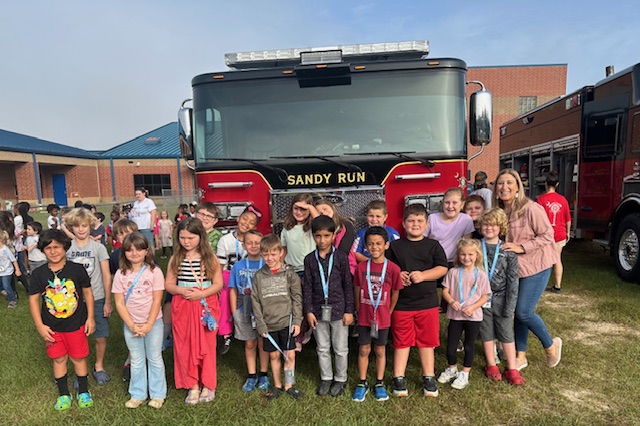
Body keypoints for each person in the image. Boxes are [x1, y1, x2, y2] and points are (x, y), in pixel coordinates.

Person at [493, 168, 562, 370]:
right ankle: (520, 355)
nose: (504, 187)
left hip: (537, 265)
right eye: (500, 183)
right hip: (515, 270)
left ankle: (551, 346)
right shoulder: (499, 211)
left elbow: (548, 235)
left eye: (509, 183)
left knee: (523, 311)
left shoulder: (531, 208)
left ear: (517, 188)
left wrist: (521, 247)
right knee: (518, 310)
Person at [28, 229, 95, 410]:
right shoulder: (38, 274)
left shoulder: (77, 269)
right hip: (52, 328)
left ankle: (83, 392)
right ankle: (64, 395)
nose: (53, 251)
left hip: (76, 325)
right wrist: (40, 326)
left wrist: (91, 318)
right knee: (58, 359)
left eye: (57, 247)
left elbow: (88, 294)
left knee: (78, 358)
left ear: (65, 247)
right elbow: (33, 300)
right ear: (43, 250)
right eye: (48, 248)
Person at [386, 204, 448, 398]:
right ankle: (399, 377)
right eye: (411, 220)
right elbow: (387, 268)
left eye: (420, 221)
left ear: (426, 224)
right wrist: (399, 275)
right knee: (401, 342)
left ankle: (428, 377)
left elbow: (442, 268)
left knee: (426, 342)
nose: (415, 224)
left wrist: (423, 275)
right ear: (404, 223)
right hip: (402, 305)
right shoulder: (395, 246)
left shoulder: (433, 245)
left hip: (427, 304)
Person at [164, 217, 223, 404]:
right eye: (182, 238)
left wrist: (201, 294)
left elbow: (218, 284)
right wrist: (181, 290)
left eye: (191, 237)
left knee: (206, 346)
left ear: (200, 237)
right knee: (185, 346)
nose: (186, 242)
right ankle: (193, 385)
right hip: (182, 306)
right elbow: (169, 284)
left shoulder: (209, 257)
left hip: (205, 305)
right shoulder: (176, 258)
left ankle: (208, 384)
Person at [112, 232, 166, 409]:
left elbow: (157, 299)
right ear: (124, 252)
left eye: (138, 249)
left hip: (154, 323)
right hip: (131, 324)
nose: (134, 253)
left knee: (155, 357)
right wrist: (131, 325)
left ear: (146, 250)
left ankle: (158, 394)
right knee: (136, 359)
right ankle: (138, 394)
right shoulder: (120, 274)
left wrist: (149, 324)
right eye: (129, 250)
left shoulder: (155, 271)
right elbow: (119, 302)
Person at [304, 215, 354, 397]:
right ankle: (326, 377)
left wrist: (349, 310)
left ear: (334, 236)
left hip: (339, 310)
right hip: (318, 311)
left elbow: (347, 285)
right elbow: (308, 286)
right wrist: (308, 310)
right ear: (313, 236)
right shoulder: (309, 259)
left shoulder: (341, 257)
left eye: (326, 236)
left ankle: (341, 378)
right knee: (322, 347)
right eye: (318, 236)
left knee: (340, 348)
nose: (322, 240)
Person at [351, 226, 403, 402]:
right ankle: (362, 382)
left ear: (387, 245)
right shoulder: (361, 267)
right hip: (365, 317)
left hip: (382, 318)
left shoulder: (393, 269)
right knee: (364, 349)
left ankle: (379, 383)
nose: (375, 247)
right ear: (365, 246)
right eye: (371, 244)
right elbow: (357, 289)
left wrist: (388, 312)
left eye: (379, 243)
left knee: (380, 350)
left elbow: (395, 292)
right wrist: (359, 311)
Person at [251, 234, 304, 400]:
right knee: (273, 355)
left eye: (273, 254)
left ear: (281, 253)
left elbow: (297, 298)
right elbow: (255, 302)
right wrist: (261, 325)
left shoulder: (289, 274)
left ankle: (289, 385)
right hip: (268, 325)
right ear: (261, 254)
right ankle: (277, 386)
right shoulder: (259, 276)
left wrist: (296, 321)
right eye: (265, 254)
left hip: (286, 323)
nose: (270, 258)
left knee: (290, 355)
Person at [65, 207, 112, 385]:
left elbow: (107, 275)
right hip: (74, 301)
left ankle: (99, 366)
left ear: (90, 226)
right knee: (77, 337)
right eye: (77, 226)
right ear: (71, 227)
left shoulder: (99, 248)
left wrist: (108, 301)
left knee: (100, 336)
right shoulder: (67, 250)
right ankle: (80, 371)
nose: (81, 229)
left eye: (84, 225)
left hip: (98, 297)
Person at [477, 208, 524, 385]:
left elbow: (513, 279)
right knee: (486, 331)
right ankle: (491, 364)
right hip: (481, 298)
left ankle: (512, 367)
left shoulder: (508, 251)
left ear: (501, 227)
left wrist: (510, 306)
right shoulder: (475, 247)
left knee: (506, 332)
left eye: (493, 225)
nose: (489, 228)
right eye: (486, 224)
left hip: (503, 297)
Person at [438, 239, 491, 390]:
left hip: (473, 317)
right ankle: (452, 368)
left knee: (469, 345)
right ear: (458, 255)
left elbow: (485, 296)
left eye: (470, 254)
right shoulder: (453, 272)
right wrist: (451, 301)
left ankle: (465, 373)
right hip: (456, 315)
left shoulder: (481, 275)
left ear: (477, 255)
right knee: (451, 345)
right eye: (463, 254)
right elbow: (445, 291)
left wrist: (473, 307)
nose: (466, 258)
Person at [216, 204, 263, 355]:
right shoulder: (225, 240)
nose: (246, 223)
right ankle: (226, 333)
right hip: (229, 274)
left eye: (251, 222)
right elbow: (220, 266)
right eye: (245, 219)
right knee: (225, 294)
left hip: (249, 276)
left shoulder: (255, 241)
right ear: (238, 218)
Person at [228, 229, 270, 392]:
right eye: (249, 243)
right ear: (243, 245)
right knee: (250, 342)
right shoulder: (238, 266)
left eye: (257, 243)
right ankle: (252, 375)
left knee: (262, 341)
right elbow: (232, 289)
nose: (253, 246)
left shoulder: (267, 264)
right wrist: (234, 311)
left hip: (264, 309)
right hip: (244, 308)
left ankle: (264, 373)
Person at [107, 218, 139, 381]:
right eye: (120, 234)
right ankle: (132, 359)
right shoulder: (114, 256)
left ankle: (144, 358)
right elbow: (111, 276)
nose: (125, 236)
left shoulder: (145, 252)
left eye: (128, 232)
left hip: (144, 299)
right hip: (125, 301)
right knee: (130, 329)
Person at [537, 171, 571, 293]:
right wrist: (567, 232)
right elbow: (568, 219)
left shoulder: (540, 200)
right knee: (557, 259)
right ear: (557, 184)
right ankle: (557, 285)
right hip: (560, 234)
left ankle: (539, 285)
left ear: (546, 183)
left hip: (545, 235)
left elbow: (537, 218)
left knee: (543, 260)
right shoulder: (563, 200)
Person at [281, 194, 319, 279]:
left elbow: (321, 223)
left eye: (303, 209)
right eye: (296, 208)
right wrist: (280, 266)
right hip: (291, 270)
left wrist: (310, 207)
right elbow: (284, 249)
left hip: (309, 269)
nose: (299, 212)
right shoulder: (287, 228)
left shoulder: (312, 227)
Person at [315, 199, 357, 275]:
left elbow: (344, 251)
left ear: (332, 208)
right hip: (322, 268)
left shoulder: (346, 225)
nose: (324, 213)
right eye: (320, 213)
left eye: (325, 209)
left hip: (345, 267)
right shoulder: (316, 230)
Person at [0, 230, 21, 308]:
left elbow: (14, 260)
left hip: (7, 271)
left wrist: (17, 270)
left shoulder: (5, 249)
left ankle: (12, 300)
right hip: (1, 271)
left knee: (6, 286)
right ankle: (11, 294)